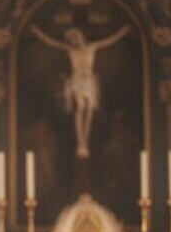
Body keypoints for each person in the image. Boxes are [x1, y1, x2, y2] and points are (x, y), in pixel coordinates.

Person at [30, 23, 130, 158]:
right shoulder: (70, 50)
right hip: (77, 81)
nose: (73, 41)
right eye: (71, 40)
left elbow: (109, 41)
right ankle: (80, 143)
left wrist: (122, 32)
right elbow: (52, 42)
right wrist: (39, 33)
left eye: (74, 38)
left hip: (89, 82)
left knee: (89, 109)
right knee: (81, 107)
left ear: (80, 36)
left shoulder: (92, 47)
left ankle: (84, 143)